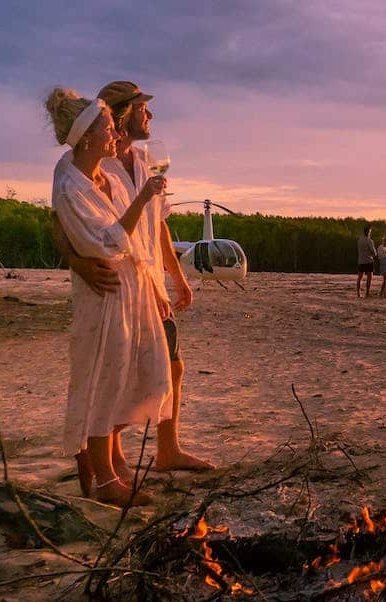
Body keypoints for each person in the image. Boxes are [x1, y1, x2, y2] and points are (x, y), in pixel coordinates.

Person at [45, 87, 168, 506]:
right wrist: (145, 197)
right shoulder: (71, 180)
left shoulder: (108, 172)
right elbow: (111, 240)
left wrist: (158, 282)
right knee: (98, 378)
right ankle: (98, 479)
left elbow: (143, 235)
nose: (113, 131)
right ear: (86, 135)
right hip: (105, 290)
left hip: (132, 286)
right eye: (108, 125)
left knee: (119, 377)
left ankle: (110, 470)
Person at [96, 80, 213, 476]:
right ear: (124, 113)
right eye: (144, 109)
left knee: (173, 364)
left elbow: (158, 225)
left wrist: (177, 278)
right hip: (121, 283)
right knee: (123, 368)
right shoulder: (100, 165)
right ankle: (112, 458)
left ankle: (168, 450)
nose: (151, 115)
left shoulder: (145, 160)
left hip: (153, 282)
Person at [356, 224, 376, 298]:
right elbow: (374, 252)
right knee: (369, 277)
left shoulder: (360, 240)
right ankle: (367, 293)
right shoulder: (369, 241)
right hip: (368, 260)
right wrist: (373, 255)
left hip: (361, 260)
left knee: (360, 277)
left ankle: (358, 293)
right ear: (368, 232)